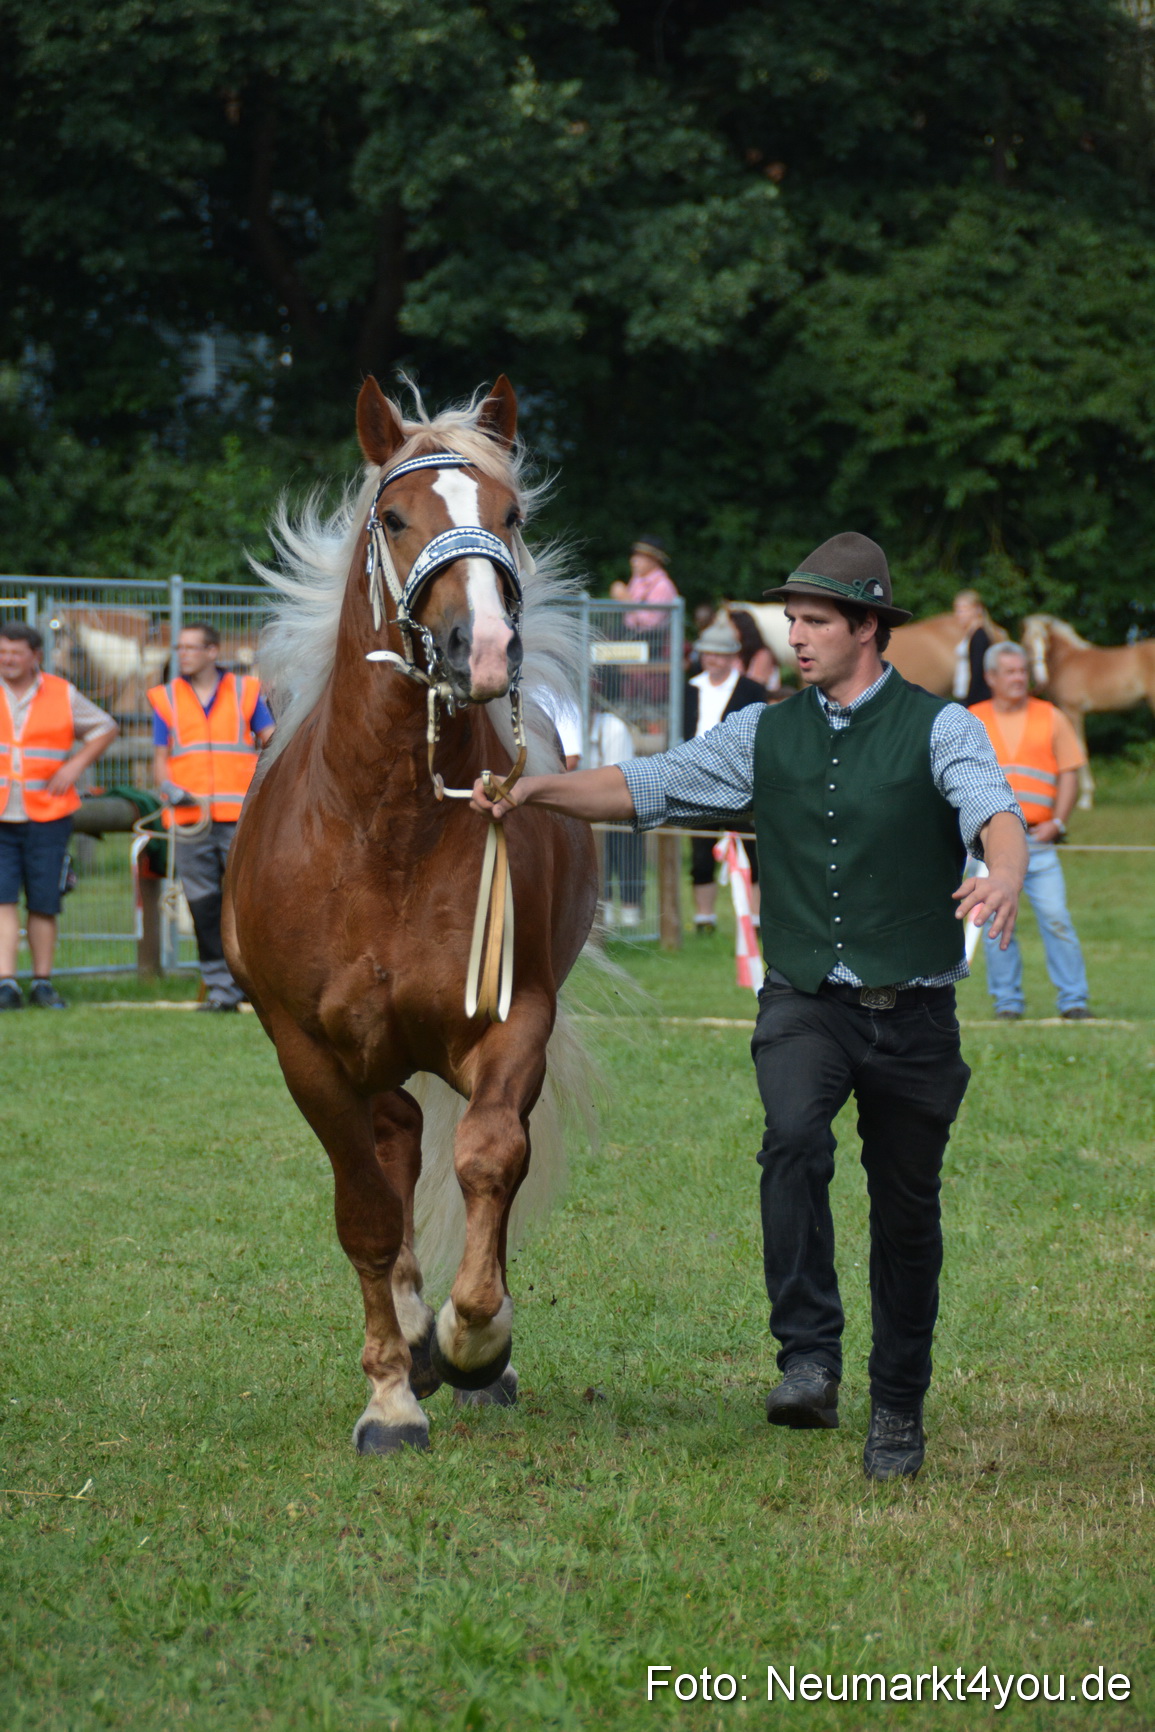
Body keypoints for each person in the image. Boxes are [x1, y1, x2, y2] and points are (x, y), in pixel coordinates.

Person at [471, 532, 1027, 1482]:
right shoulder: (764, 730)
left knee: (905, 1217)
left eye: (815, 622)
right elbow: (644, 785)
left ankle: (896, 1408)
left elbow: (992, 811)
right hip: (806, 1002)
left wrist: (1004, 875)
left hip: (917, 1014)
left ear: (867, 627)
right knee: (793, 1137)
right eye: (793, 621)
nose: (797, 637)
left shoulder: (942, 729)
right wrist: (533, 791)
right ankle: (807, 1357)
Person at [149, 623, 274, 1011]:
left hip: (241, 816)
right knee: (203, 905)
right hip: (190, 819)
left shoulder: (246, 692)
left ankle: (260, 985)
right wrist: (166, 788)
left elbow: (272, 742)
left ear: (212, 651)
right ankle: (220, 988)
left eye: (191, 647)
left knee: (250, 903)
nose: (183, 653)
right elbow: (159, 759)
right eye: (180, 647)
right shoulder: (165, 698)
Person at [969, 642, 1092, 1021]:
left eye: (1023, 670)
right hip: (990, 846)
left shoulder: (1050, 715)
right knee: (996, 923)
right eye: (1010, 672)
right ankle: (1007, 1003)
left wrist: (1058, 821)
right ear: (990, 677)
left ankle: (1074, 1001)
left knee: (1057, 918)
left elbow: (1069, 770)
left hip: (1039, 841)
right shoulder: (972, 718)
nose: (1020, 678)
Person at [0, 621, 119, 1009]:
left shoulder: (62, 693)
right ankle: (6, 984)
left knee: (44, 902)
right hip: (2, 816)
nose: (8, 659)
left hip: (47, 816)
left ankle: (42, 982)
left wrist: (74, 766)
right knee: (2, 901)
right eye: (2, 652)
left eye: (15, 653)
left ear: (35, 656)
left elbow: (104, 726)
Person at [684, 618, 767, 933]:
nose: (712, 660)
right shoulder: (689, 687)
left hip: (739, 780)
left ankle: (758, 918)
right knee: (701, 854)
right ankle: (704, 918)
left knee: (753, 850)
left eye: (719, 654)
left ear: (732, 656)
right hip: (696, 780)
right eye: (707, 654)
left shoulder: (751, 689)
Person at [610, 536, 679, 634]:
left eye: (640, 557)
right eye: (634, 556)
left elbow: (652, 624)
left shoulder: (662, 585)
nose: (633, 561)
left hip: (652, 640)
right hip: (631, 634)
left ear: (655, 560)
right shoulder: (637, 580)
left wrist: (627, 600)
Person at [952, 589, 993, 707]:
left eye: (962, 610)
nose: (958, 615)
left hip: (974, 699)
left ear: (977, 610)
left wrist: (972, 702)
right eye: (957, 610)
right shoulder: (970, 635)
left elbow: (977, 672)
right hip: (966, 696)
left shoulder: (979, 636)